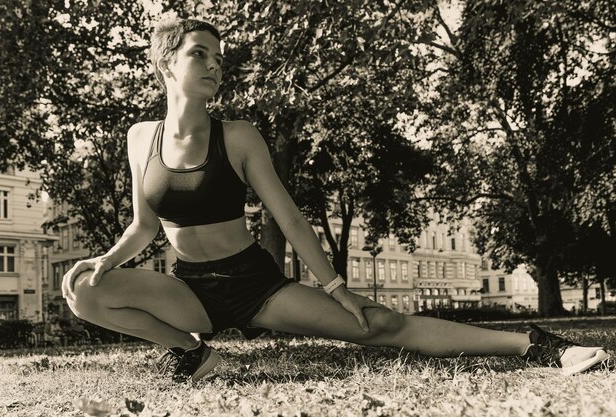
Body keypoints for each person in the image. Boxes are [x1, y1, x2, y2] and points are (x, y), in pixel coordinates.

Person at [62, 19, 609, 382]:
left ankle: (538, 346)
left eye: (219, 60)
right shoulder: (140, 138)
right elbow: (142, 226)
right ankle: (194, 353)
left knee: (380, 326)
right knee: (83, 290)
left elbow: (290, 218)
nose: (213, 66)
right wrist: (105, 261)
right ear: (166, 63)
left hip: (254, 285)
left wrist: (336, 287)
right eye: (199, 54)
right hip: (190, 291)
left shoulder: (239, 135)